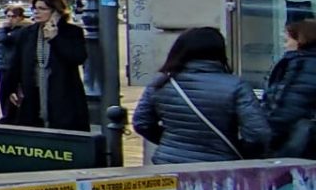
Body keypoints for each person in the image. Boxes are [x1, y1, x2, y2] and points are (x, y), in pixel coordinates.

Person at [132, 27, 268, 164]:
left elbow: (141, 123)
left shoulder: (162, 83)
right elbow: (258, 134)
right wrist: (240, 152)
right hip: (218, 167)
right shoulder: (236, 85)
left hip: (169, 164)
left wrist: (170, 143)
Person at [1, 0, 89, 130]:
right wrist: (11, 88)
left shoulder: (72, 32)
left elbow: (77, 58)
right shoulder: (27, 33)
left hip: (62, 94)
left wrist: (55, 39)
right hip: (33, 93)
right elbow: (16, 63)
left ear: (56, 12)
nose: (36, 12)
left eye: (42, 9)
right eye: (35, 8)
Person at [261, 20, 316, 158]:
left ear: (301, 40)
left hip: (292, 143)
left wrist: (266, 136)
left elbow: (289, 106)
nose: (285, 45)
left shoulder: (301, 65)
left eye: (287, 40)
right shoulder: (302, 62)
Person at [0, 4, 29, 121]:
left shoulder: (22, 29)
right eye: (8, 16)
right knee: (4, 94)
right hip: (2, 65)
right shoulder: (6, 29)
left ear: (21, 17)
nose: (10, 19)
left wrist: (4, 32)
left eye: (13, 16)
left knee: (13, 94)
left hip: (13, 66)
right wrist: (4, 30)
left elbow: (6, 39)